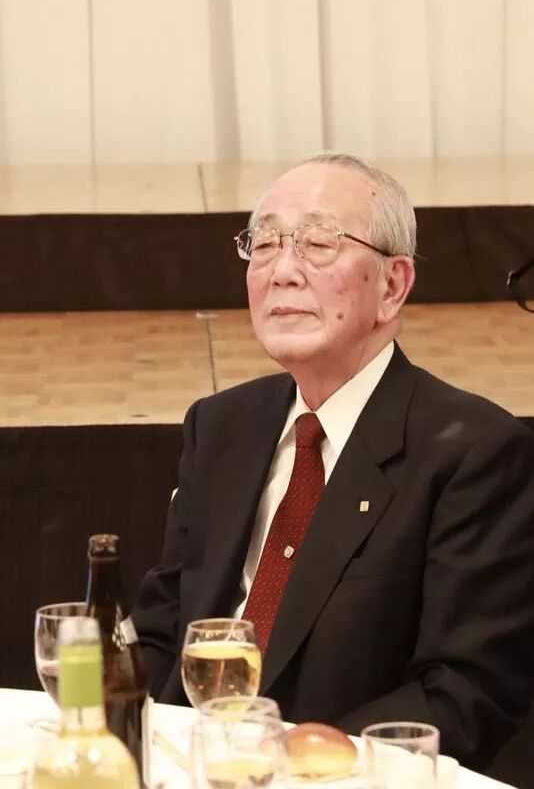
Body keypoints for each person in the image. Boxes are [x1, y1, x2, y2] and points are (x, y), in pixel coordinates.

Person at [132, 153, 534, 770]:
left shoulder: (473, 452)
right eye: (265, 244)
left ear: (392, 285)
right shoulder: (220, 426)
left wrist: (288, 761)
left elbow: (467, 690)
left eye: (318, 244)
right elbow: (163, 626)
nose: (282, 272)